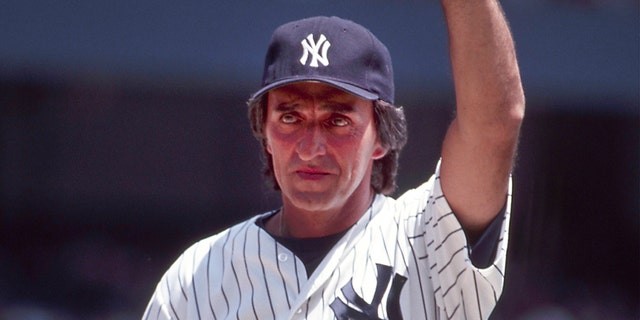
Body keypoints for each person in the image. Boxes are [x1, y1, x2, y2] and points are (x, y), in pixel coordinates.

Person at [143, 0, 524, 319]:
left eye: (337, 120)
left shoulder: (424, 236)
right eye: (290, 117)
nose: (311, 147)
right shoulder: (196, 277)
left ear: (382, 137)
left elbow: (494, 124)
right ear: (265, 132)